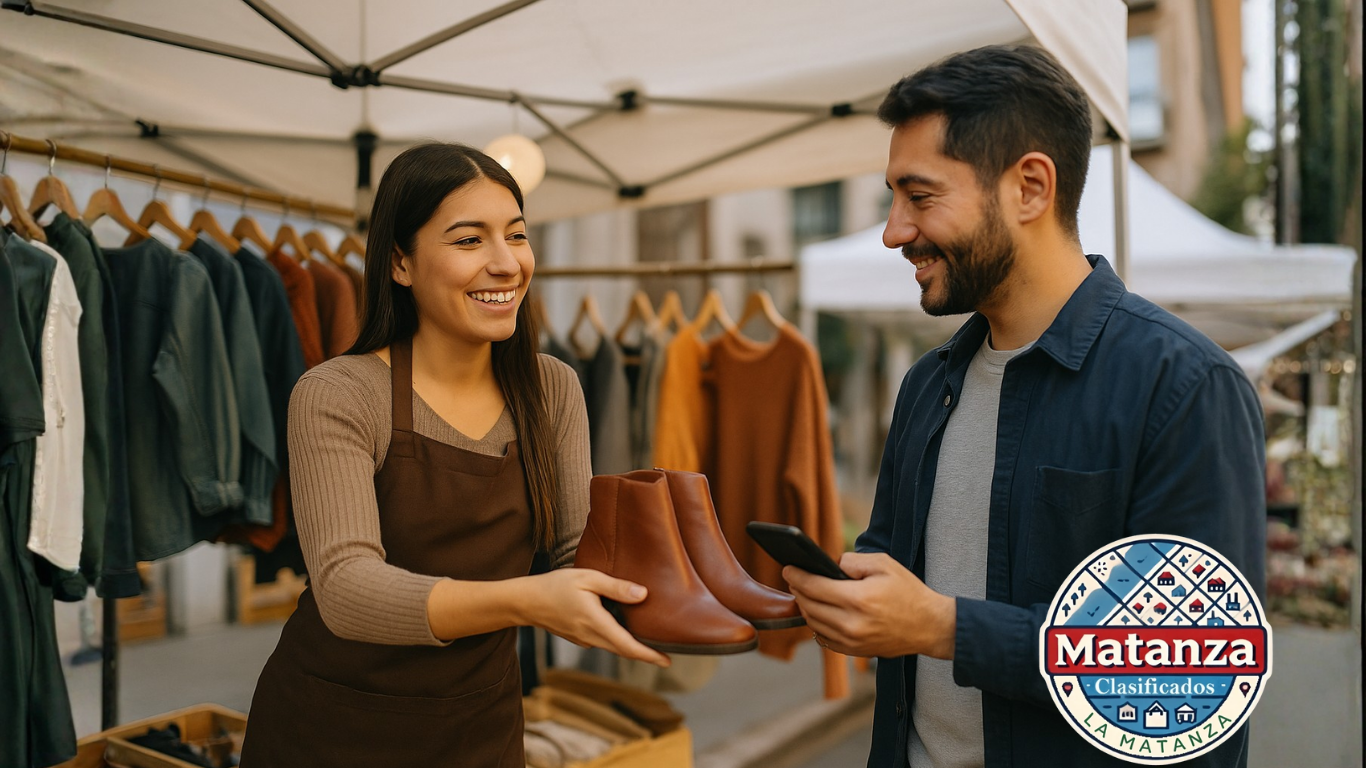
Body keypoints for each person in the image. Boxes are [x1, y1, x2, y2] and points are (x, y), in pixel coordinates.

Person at [783, 45, 1265, 768]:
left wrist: (945, 627)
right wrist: (842, 600)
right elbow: (890, 573)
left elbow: (1195, 674)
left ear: (1030, 188)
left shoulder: (1184, 386)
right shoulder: (927, 384)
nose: (892, 230)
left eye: (919, 196)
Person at [239, 143, 668, 768]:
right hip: (334, 729)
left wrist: (692, 574)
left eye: (516, 236)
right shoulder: (340, 393)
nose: (506, 264)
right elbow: (346, 588)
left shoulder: (552, 389)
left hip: (480, 726)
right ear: (401, 263)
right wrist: (527, 598)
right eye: (469, 241)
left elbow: (582, 552)